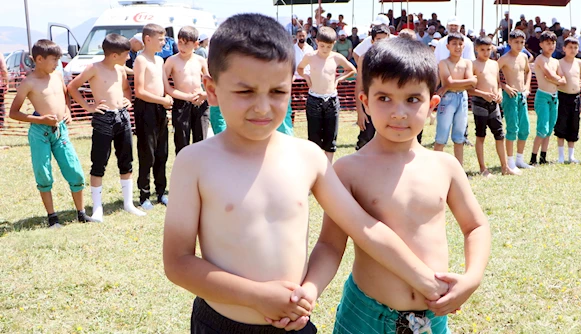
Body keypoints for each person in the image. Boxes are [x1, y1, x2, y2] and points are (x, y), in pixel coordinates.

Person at [163, 14, 451, 333]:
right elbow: (178, 262)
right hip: (221, 324)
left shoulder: (308, 156)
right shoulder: (195, 162)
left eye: (277, 91)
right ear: (211, 89)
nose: (262, 107)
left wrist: (310, 290)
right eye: (245, 92)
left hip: (296, 323)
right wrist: (256, 296)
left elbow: (362, 228)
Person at [301, 36, 490, 334]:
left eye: (412, 99)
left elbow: (475, 226)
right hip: (365, 315)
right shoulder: (348, 169)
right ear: (364, 101)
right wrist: (310, 289)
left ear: (433, 104)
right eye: (384, 98)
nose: (398, 112)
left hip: (433, 315)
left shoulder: (445, 166)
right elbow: (329, 244)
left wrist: (472, 277)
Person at [9, 40, 97, 227]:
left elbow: (65, 94)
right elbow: (13, 112)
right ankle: (52, 217)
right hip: (40, 133)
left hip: (60, 131)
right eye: (54, 59)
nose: (58, 62)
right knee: (44, 174)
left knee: (74, 170)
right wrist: (40, 120)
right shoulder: (28, 83)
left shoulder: (57, 75)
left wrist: (67, 111)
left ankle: (81, 213)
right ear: (39, 59)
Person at [67, 34, 146, 221]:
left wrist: (128, 99)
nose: (128, 57)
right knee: (99, 163)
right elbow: (72, 87)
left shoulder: (120, 70)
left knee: (126, 161)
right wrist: (88, 107)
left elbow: (126, 88)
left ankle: (128, 203)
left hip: (123, 117)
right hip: (103, 119)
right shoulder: (93, 68)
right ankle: (97, 208)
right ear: (114, 55)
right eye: (126, 54)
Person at [297, 26, 357, 163]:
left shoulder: (336, 57)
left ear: (333, 44)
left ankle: (328, 168)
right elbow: (299, 68)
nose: (325, 49)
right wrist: (306, 77)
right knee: (314, 138)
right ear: (317, 42)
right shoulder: (310, 56)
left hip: (331, 100)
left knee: (331, 138)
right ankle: (315, 167)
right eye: (322, 45)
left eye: (328, 46)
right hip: (314, 99)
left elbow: (351, 70)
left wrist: (338, 79)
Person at [133, 23, 173, 210]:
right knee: (147, 153)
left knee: (162, 152)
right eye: (160, 39)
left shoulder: (160, 61)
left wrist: (168, 98)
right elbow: (139, 91)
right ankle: (144, 195)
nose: (163, 43)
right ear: (147, 39)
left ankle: (161, 191)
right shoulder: (141, 61)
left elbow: (165, 86)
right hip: (146, 109)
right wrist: (161, 100)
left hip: (160, 109)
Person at [470, 37, 520, 176]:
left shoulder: (494, 64)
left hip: (494, 104)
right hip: (480, 103)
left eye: (488, 49)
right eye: (482, 50)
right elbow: (469, 89)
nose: (485, 52)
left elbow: (498, 83)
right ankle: (482, 168)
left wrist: (499, 93)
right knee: (481, 136)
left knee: (500, 135)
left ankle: (505, 167)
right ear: (476, 49)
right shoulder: (473, 65)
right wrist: (483, 94)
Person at [165, 26, 210, 155]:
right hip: (181, 103)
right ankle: (183, 171)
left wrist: (204, 94)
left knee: (201, 141)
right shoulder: (172, 60)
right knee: (181, 141)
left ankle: (199, 172)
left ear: (196, 44)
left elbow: (210, 83)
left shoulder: (201, 60)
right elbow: (167, 87)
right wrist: (186, 97)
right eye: (180, 43)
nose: (182, 47)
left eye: (186, 44)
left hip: (200, 102)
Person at [434, 32, 474, 166]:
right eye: (454, 44)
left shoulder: (467, 63)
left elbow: (472, 83)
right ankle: (436, 167)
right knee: (441, 135)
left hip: (462, 97)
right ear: (448, 46)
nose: (458, 47)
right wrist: (468, 80)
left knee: (459, 136)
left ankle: (459, 168)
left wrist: (467, 81)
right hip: (448, 98)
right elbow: (449, 82)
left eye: (460, 44)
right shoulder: (443, 62)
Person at [498, 30, 534, 169]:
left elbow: (528, 71)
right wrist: (505, 87)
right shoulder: (504, 58)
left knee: (524, 128)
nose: (519, 45)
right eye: (516, 42)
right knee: (512, 128)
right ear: (509, 42)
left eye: (522, 42)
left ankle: (520, 159)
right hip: (510, 96)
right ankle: (510, 160)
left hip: (522, 96)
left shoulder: (524, 57)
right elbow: (492, 74)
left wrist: (526, 86)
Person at [354, 24, 392, 150]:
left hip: (390, 103)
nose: (382, 43)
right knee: (365, 140)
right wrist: (360, 111)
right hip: (370, 103)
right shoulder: (364, 59)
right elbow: (359, 84)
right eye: (379, 40)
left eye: (385, 39)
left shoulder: (395, 59)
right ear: (372, 41)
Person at [530, 30, 565, 165]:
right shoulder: (540, 59)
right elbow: (549, 74)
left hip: (554, 96)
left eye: (553, 43)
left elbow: (563, 79)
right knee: (542, 128)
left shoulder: (556, 61)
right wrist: (557, 79)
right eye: (548, 43)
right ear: (541, 45)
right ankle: (533, 157)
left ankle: (543, 157)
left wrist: (555, 80)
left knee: (550, 129)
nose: (551, 46)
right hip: (543, 96)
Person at [554, 37, 581, 164]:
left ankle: (571, 156)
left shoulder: (579, 62)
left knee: (574, 124)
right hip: (562, 96)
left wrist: (580, 80)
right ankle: (561, 156)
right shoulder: (559, 62)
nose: (572, 50)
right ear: (564, 49)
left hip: (575, 97)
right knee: (561, 125)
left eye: (575, 47)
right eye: (570, 47)